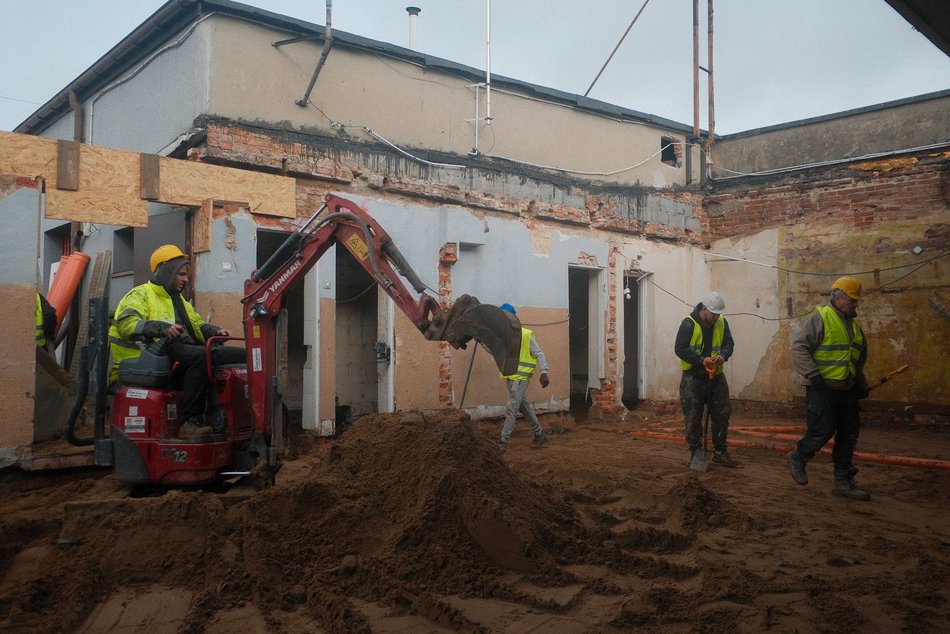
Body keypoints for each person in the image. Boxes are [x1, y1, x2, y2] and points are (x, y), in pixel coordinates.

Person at [109, 245, 245, 439]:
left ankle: (224, 418)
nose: (185, 279)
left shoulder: (180, 301)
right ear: (165, 270)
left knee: (241, 355)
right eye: (181, 274)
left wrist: (215, 331)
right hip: (147, 360)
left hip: (175, 354)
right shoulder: (140, 295)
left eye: (186, 275)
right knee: (202, 356)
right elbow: (126, 324)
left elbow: (196, 325)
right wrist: (161, 328)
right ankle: (190, 421)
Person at [787, 276, 871, 500]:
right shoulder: (820, 317)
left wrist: (860, 383)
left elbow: (856, 358)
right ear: (839, 297)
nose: (855, 304)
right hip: (822, 388)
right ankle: (799, 456)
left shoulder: (853, 325)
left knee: (848, 435)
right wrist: (813, 374)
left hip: (847, 389)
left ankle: (842, 482)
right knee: (821, 430)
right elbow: (799, 347)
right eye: (852, 300)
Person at [674, 291, 738, 468]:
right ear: (704, 309)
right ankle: (695, 452)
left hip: (716, 376)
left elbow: (729, 343)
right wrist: (701, 360)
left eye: (718, 314)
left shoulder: (722, 322)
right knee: (693, 416)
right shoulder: (688, 324)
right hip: (693, 377)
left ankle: (720, 452)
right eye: (713, 314)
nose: (716, 317)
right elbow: (680, 349)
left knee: (722, 413)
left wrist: (723, 356)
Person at [497, 303, 550, 453]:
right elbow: (495, 351)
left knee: (511, 407)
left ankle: (503, 441)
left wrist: (544, 372)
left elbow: (539, 353)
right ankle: (539, 434)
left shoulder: (526, 334)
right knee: (523, 406)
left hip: (522, 378)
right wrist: (482, 340)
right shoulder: (505, 337)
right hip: (511, 377)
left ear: (512, 318)